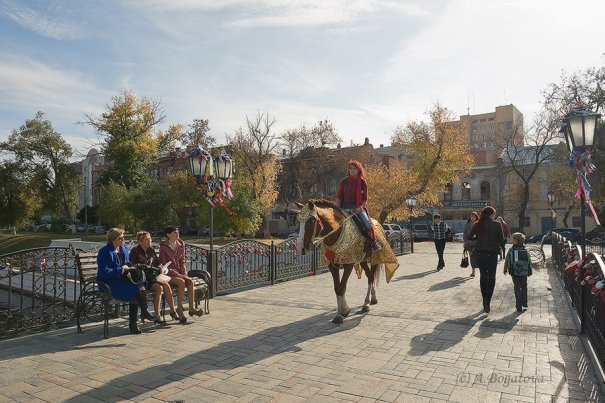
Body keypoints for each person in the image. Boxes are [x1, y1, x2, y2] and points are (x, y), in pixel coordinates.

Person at [96, 227, 155, 334]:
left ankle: (137, 319)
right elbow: (104, 271)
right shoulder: (104, 251)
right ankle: (139, 317)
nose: (123, 240)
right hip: (109, 282)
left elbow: (128, 263)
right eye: (121, 238)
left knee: (138, 286)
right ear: (113, 239)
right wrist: (121, 269)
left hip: (124, 279)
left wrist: (130, 268)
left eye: (123, 238)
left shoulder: (123, 249)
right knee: (136, 290)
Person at [130, 231, 180, 324]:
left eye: (150, 239)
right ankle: (157, 315)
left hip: (153, 277)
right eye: (147, 239)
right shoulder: (135, 250)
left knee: (166, 286)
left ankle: (173, 312)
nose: (150, 241)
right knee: (159, 288)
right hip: (143, 279)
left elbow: (158, 262)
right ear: (140, 241)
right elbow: (133, 265)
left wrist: (161, 267)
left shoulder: (151, 250)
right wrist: (148, 267)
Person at [334, 160, 381, 251]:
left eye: (354, 168)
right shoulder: (343, 182)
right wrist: (337, 209)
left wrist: (360, 208)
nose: (352, 170)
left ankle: (373, 242)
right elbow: (338, 197)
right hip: (344, 208)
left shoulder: (363, 182)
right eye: (350, 168)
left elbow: (365, 200)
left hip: (358, 208)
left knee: (367, 224)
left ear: (359, 170)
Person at [159, 226, 203, 323]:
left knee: (190, 281)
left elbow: (182, 262)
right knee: (181, 282)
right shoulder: (163, 246)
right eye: (174, 232)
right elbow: (163, 264)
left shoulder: (181, 245)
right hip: (168, 274)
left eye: (177, 232)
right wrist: (176, 273)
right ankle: (179, 308)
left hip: (179, 273)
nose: (177, 234)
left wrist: (183, 273)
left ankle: (192, 309)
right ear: (168, 235)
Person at [467, 206, 505, 313]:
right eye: (494, 214)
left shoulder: (477, 224)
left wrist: (478, 239)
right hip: (492, 254)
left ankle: (484, 300)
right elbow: (501, 241)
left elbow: (469, 237)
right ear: (492, 214)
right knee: (491, 277)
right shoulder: (497, 224)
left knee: (483, 276)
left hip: (480, 253)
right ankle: (488, 301)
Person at [503, 232, 532, 313]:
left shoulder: (511, 250)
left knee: (517, 288)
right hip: (524, 272)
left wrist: (505, 269)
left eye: (513, 239)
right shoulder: (525, 250)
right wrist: (529, 271)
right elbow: (529, 261)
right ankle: (525, 303)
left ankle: (518, 306)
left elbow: (507, 260)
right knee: (524, 286)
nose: (512, 240)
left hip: (514, 272)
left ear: (517, 241)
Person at [463, 212, 479, 277]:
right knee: (471, 257)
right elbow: (465, 234)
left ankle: (479, 268)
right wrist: (464, 242)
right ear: (470, 217)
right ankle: (473, 271)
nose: (473, 218)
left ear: (476, 217)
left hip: (477, 243)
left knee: (477, 256)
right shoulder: (467, 224)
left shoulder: (478, 224)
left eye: (474, 216)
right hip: (469, 243)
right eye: (471, 216)